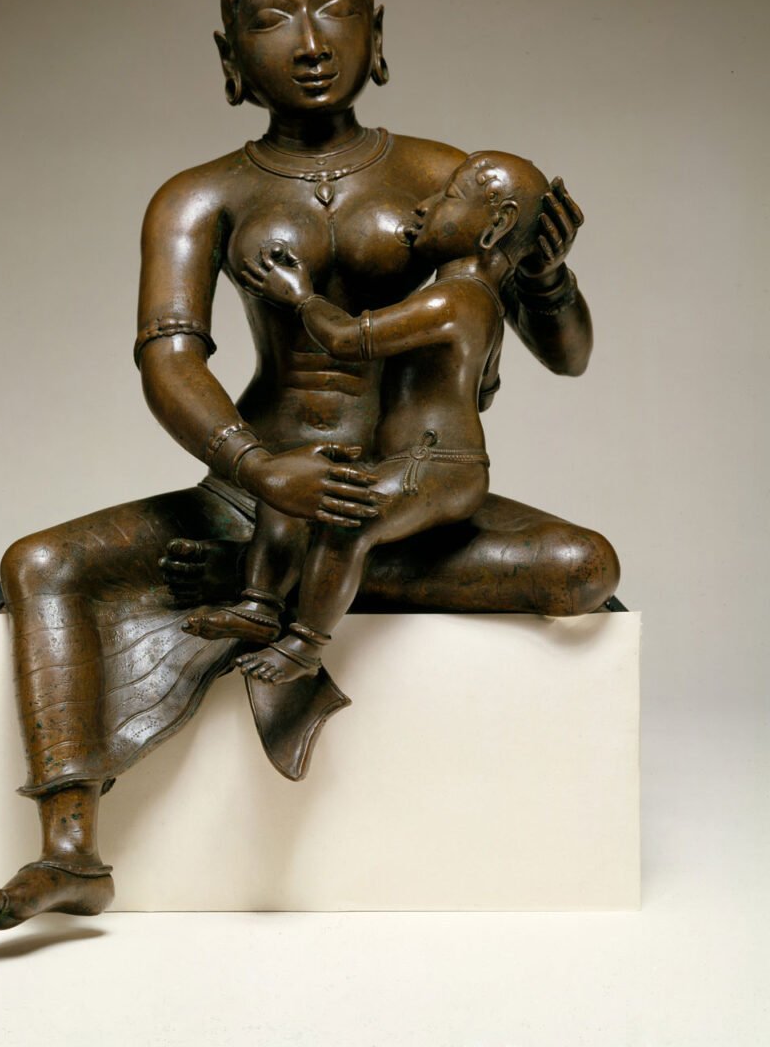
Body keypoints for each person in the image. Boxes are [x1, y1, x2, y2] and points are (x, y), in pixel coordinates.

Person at [0, 0, 619, 937]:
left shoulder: (454, 174)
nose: (310, 43)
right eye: (272, 20)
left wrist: (547, 274)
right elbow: (170, 360)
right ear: (230, 57)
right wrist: (262, 469)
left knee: (584, 569)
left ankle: (266, 585)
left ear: (377, 34)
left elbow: (566, 356)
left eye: (335, 12)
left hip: (404, 494)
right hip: (256, 489)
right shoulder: (199, 196)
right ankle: (69, 848)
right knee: (38, 563)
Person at [190, 151, 549, 682]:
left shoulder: (453, 301)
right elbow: (485, 392)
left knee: (347, 524)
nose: (424, 206)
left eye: (448, 197)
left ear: (495, 225)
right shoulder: (481, 304)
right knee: (295, 495)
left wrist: (300, 297)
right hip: (412, 459)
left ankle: (305, 646)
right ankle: (259, 606)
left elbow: (346, 340)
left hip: (439, 465)